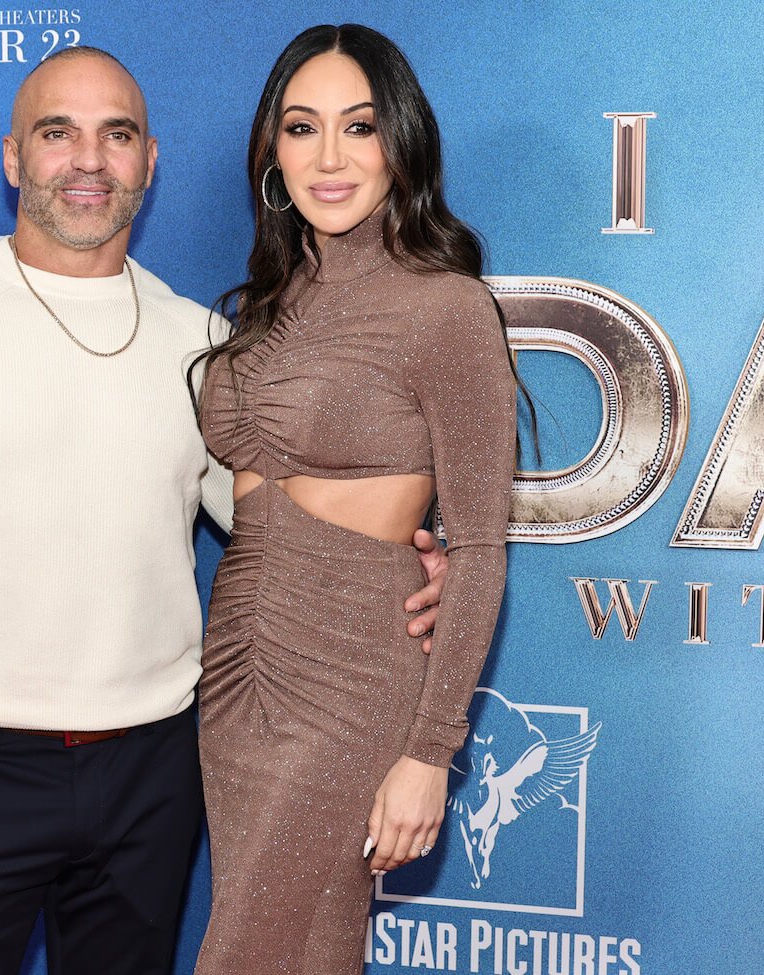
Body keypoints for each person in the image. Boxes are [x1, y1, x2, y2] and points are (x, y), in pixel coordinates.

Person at [0, 46, 449, 975]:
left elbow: (276, 522)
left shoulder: (204, 344)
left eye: (118, 135)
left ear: (150, 160)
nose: (89, 159)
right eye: (58, 133)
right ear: (14, 157)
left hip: (156, 769)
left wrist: (397, 562)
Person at [194, 24, 521, 975]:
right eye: (302, 127)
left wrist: (431, 752)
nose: (329, 157)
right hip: (236, 667)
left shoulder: (446, 308)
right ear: (273, 151)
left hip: (353, 675)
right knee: (309, 946)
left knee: (244, 953)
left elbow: (480, 548)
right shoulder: (264, 308)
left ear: (400, 143)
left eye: (360, 126)